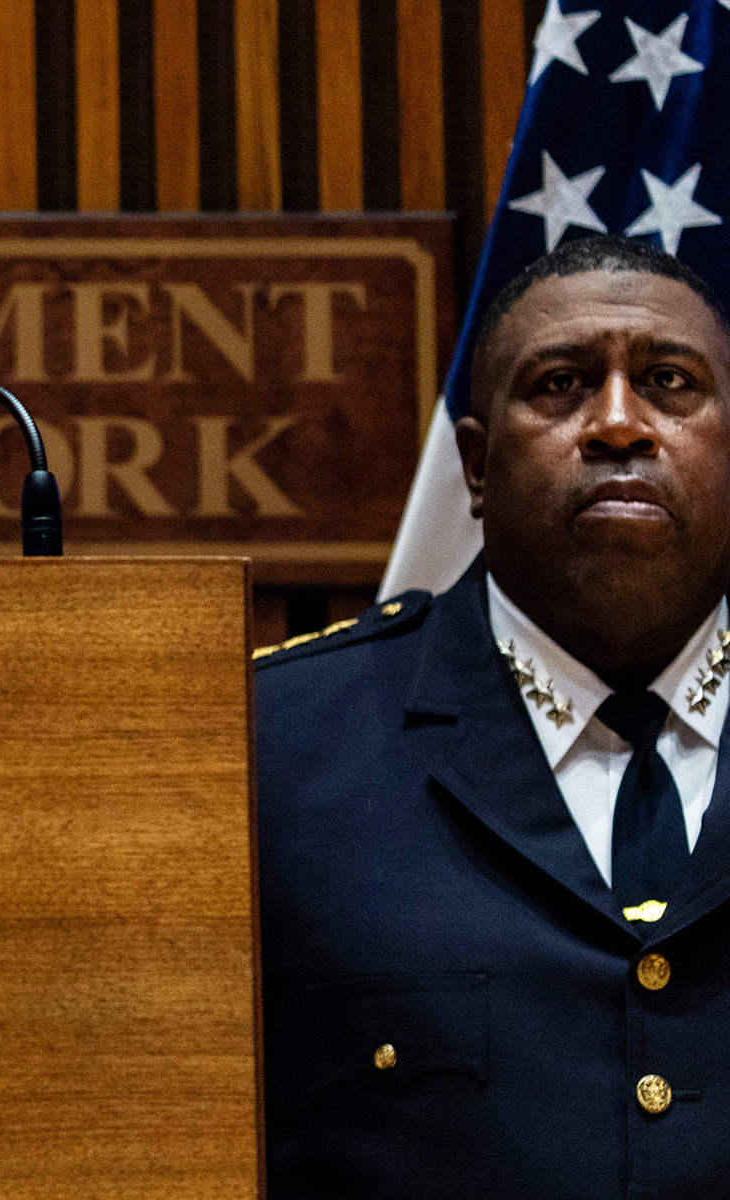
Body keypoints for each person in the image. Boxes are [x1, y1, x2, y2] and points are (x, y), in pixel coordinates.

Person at [253, 234, 730, 1196]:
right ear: (475, 466)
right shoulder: (273, 750)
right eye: (559, 386)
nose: (618, 424)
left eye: (671, 383)